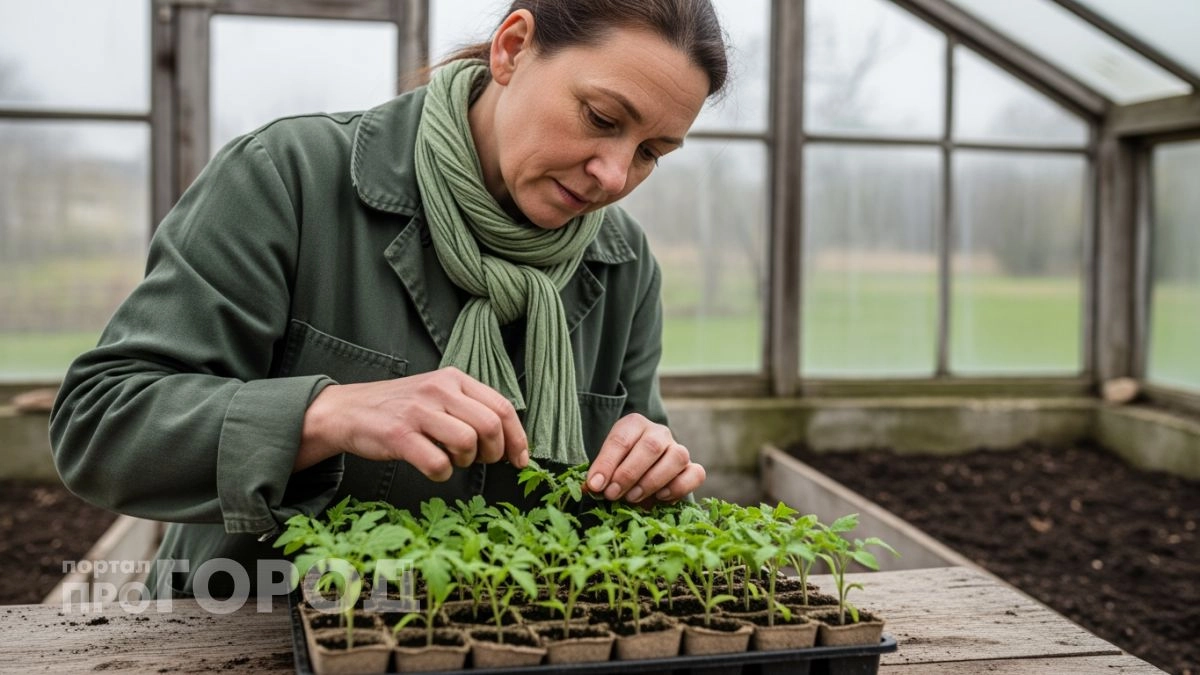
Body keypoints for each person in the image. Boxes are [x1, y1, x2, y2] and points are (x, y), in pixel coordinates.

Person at [49, 0, 729, 599]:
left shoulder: (622, 264)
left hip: (499, 643)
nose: (614, 174)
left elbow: (634, 499)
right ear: (513, 48)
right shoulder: (291, 180)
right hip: (250, 627)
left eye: (651, 152)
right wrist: (326, 412)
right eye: (602, 117)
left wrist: (653, 470)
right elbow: (103, 424)